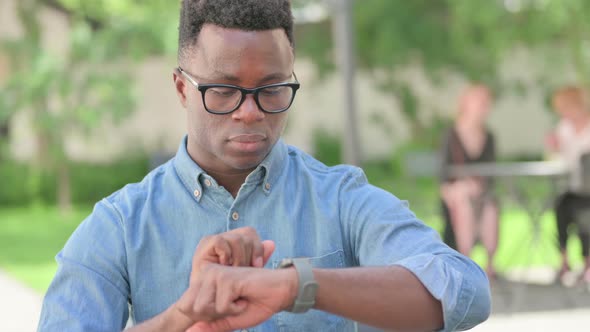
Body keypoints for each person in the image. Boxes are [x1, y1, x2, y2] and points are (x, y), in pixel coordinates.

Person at [37, 1, 491, 331]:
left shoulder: (340, 199)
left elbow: (464, 290)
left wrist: (297, 286)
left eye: (272, 89)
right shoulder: (121, 225)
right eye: (223, 90)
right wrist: (185, 317)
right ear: (181, 88)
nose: (250, 112)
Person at [439, 85, 499, 279]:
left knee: (490, 205)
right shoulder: (451, 134)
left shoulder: (489, 136)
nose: (484, 107)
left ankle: (490, 264)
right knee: (463, 200)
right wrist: (462, 185)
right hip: (456, 192)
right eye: (479, 102)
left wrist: (478, 186)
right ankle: (467, 259)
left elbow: (490, 173)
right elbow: (444, 174)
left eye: (486, 103)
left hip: (481, 193)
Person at [546, 86, 590, 285]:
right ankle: (564, 260)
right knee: (561, 206)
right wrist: (554, 147)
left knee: (584, 214)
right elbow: (559, 161)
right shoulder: (564, 128)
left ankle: (587, 263)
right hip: (573, 187)